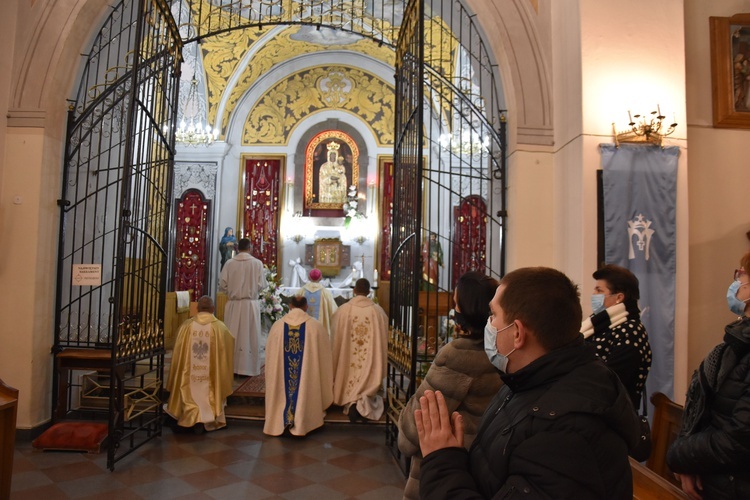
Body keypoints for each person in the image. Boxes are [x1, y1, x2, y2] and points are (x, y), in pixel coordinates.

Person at [415, 267, 643, 499]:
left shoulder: (563, 435)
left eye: (493, 315)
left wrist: (441, 462)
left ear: (517, 333)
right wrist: (454, 457)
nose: (489, 325)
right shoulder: (525, 380)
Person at [397, 271, 503, 500]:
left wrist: (404, 428)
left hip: (446, 463)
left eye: (456, 304)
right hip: (481, 462)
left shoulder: (458, 356)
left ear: (466, 309)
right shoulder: (500, 350)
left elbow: (416, 422)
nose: (454, 309)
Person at [666, 251, 750, 500]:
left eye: (742, 274)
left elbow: (740, 439)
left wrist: (680, 455)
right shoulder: (737, 340)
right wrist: (692, 462)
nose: (736, 281)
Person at [580, 264, 652, 409]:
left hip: (611, 412)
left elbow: (611, 380)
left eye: (599, 290)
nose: (594, 295)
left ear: (619, 297)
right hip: (589, 403)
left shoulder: (632, 331)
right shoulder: (599, 324)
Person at [264, 295, 334, 437]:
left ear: (290, 306)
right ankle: (303, 417)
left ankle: (281, 415)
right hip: (306, 384)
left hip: (283, 384)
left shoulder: (277, 327)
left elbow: (270, 360)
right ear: (306, 306)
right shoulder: (316, 327)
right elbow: (325, 359)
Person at [165, 296, 234, 432]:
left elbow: (177, 355)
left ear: (196, 309)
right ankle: (207, 415)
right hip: (211, 379)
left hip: (189, 377)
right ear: (213, 309)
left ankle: (187, 412)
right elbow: (228, 351)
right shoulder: (221, 328)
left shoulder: (186, 326)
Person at [330, 278, 389, 422]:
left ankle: (352, 402)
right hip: (370, 360)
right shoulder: (378, 312)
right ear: (369, 292)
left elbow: (334, 336)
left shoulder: (343, 311)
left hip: (347, 360)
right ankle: (362, 402)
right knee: (367, 377)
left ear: (354, 290)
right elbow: (384, 338)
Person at [219, 238, 267, 376]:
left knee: (233, 334)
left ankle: (232, 368)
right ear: (250, 248)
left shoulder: (229, 263)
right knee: (250, 335)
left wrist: (232, 292)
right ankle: (248, 368)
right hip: (250, 305)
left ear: (237, 248)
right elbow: (262, 285)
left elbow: (223, 285)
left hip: (234, 305)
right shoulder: (257, 264)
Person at [296, 268, 337, 340]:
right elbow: (334, 312)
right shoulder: (325, 293)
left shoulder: (301, 292)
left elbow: (294, 310)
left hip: (303, 328)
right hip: (321, 330)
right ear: (320, 278)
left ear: (309, 277)